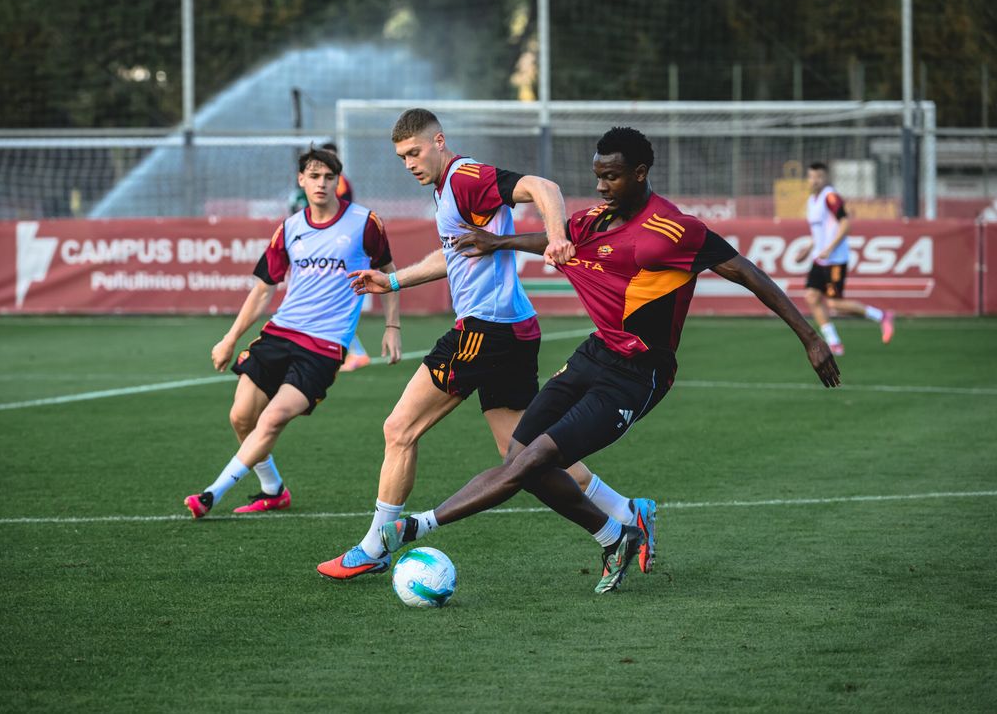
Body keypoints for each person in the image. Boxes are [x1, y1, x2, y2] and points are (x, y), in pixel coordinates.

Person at [378, 127, 842, 594]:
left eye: (612, 177)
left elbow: (746, 271)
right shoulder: (595, 219)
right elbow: (554, 240)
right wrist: (497, 243)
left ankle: (419, 526)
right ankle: (616, 534)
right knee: (518, 458)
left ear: (640, 174)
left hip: (638, 374)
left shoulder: (671, 231)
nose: (601, 187)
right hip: (595, 354)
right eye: (598, 176)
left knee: (532, 461)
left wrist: (810, 337)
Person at [316, 109, 646, 581]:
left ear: (439, 141)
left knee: (399, 428)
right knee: (524, 457)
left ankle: (375, 547)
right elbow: (452, 254)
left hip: (484, 334)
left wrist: (556, 238)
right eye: (401, 157)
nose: (408, 163)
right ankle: (625, 517)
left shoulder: (466, 176)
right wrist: (391, 281)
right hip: (512, 330)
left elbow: (544, 188)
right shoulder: (446, 189)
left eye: (414, 152)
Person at [184, 147, 401, 517]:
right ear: (301, 180)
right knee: (241, 418)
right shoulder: (289, 229)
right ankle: (273, 490)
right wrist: (229, 338)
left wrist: (392, 326)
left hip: (325, 347)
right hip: (280, 333)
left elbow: (388, 272)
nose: (321, 184)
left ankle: (210, 495)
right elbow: (264, 289)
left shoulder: (365, 223)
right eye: (314, 176)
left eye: (329, 177)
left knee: (271, 419)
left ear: (338, 182)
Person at [288, 141, 370, 372]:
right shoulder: (302, 196)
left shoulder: (341, 185)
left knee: (334, 306)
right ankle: (337, 350)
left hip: (338, 251)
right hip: (317, 250)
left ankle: (356, 352)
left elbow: (340, 212)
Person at [804, 161, 895, 356]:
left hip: (835, 259)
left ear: (826, 177)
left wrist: (829, 248)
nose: (814, 180)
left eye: (818, 176)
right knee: (812, 297)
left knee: (834, 303)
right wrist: (808, 248)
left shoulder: (831, 196)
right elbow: (819, 232)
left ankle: (882, 316)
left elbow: (845, 225)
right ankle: (834, 342)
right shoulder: (811, 201)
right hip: (819, 258)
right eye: (811, 176)